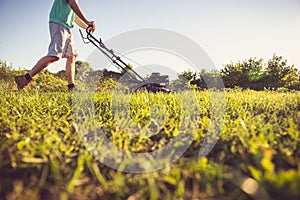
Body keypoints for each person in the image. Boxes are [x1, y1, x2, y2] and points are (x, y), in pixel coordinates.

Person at [15, 0, 96, 91]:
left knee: (72, 56)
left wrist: (86, 27)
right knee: (55, 55)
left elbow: (74, 16)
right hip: (58, 23)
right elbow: (73, 4)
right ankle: (25, 78)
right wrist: (87, 22)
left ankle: (71, 87)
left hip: (66, 26)